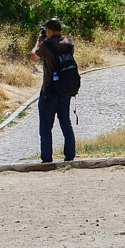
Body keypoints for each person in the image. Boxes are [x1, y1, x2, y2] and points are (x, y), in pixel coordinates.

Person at [30, 18, 77, 163]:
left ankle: (46, 158)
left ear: (48, 30)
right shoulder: (69, 44)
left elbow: (33, 57)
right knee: (65, 123)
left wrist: (39, 41)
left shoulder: (46, 44)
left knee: (45, 126)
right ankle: (70, 156)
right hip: (65, 89)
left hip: (49, 90)